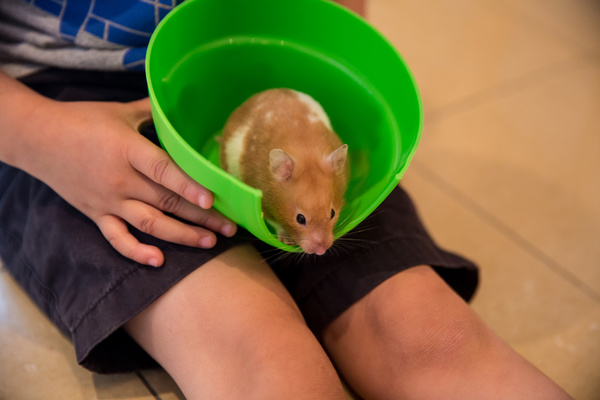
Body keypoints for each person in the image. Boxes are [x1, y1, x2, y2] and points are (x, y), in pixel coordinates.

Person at [0, 1, 573, 399]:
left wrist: (331, 52)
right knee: (268, 359)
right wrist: (40, 135)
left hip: (272, 58)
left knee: (432, 339)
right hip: (59, 109)